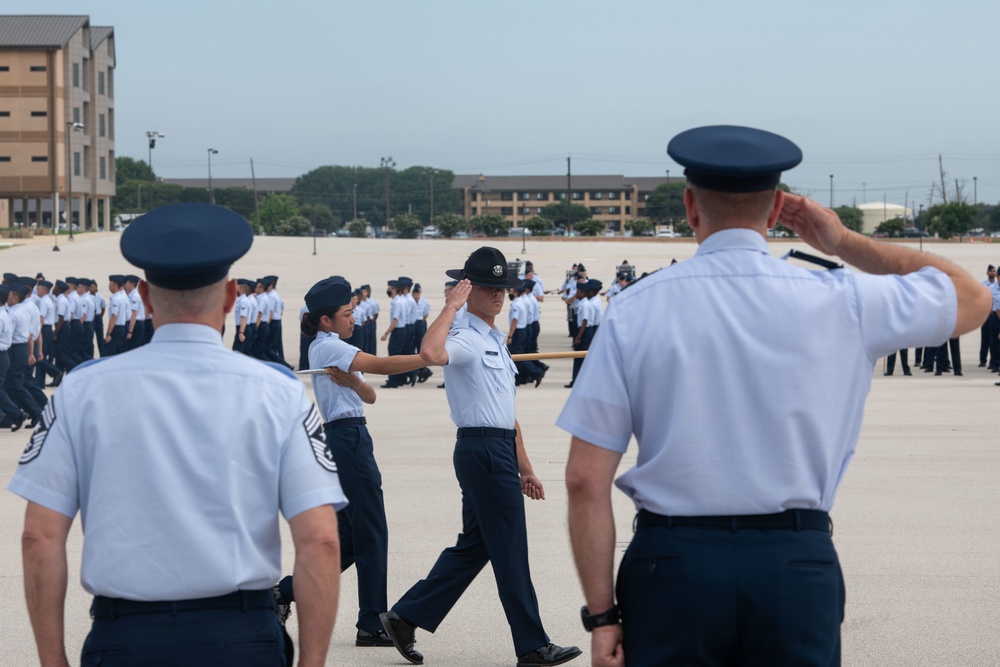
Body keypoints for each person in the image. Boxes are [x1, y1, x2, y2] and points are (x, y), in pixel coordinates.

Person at [559, 125, 991, 667]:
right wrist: (843, 243)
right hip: (794, 565)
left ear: (691, 206)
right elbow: (971, 298)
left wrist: (602, 619)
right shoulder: (843, 298)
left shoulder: (636, 307)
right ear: (777, 208)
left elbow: (583, 479)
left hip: (673, 567)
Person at [9, 202, 348, 667]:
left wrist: (53, 662)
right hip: (241, 638)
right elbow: (321, 541)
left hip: (124, 639)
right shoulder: (280, 393)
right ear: (231, 296)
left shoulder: (80, 391)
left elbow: (39, 538)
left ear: (145, 297)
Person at [380, 246, 581, 667]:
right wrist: (450, 307)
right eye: (488, 287)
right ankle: (532, 645)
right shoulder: (466, 337)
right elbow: (431, 354)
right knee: (510, 548)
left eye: (502, 287)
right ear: (468, 290)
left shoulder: (494, 339)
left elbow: (506, 414)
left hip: (496, 448)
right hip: (482, 449)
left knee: (476, 545)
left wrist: (525, 467)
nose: (498, 295)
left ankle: (406, 616)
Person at [293, 276, 431, 649]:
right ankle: (371, 623)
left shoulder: (335, 348)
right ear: (326, 320)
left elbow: (369, 395)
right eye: (347, 313)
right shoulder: (327, 348)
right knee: (372, 531)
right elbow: (382, 366)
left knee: (350, 539)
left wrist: (353, 383)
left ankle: (281, 593)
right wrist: (428, 357)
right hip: (347, 438)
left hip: (352, 434)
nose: (353, 319)